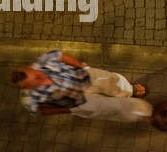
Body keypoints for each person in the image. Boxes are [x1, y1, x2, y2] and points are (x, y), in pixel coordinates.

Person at [11, 50, 151, 123]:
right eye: (35, 80)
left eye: (35, 72)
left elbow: (61, 56)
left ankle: (129, 91)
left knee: (112, 81)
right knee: (107, 108)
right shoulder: (29, 100)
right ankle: (138, 111)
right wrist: (67, 110)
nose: (40, 75)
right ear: (27, 88)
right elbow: (43, 111)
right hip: (77, 101)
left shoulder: (43, 61)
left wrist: (82, 67)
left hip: (84, 76)